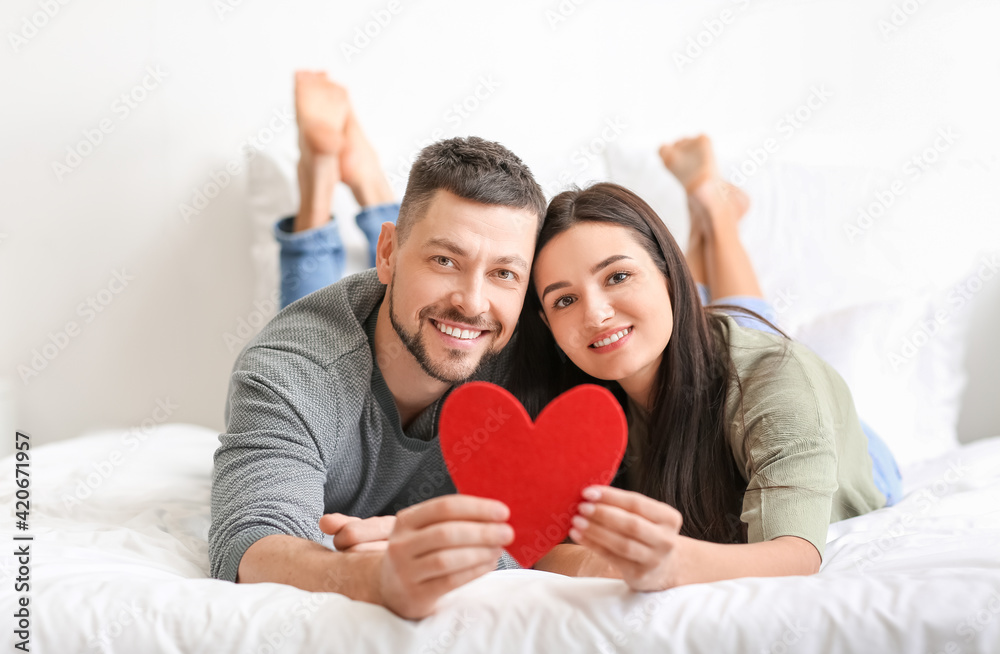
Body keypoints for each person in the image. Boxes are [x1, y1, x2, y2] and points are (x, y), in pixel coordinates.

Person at [209, 71, 547, 620]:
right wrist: (371, 577)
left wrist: (488, 561)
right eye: (446, 260)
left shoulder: (541, 345)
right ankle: (320, 179)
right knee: (353, 321)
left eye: (505, 273)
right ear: (384, 252)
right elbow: (248, 539)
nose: (473, 301)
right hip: (337, 340)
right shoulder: (292, 370)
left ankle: (359, 180)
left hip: (385, 305)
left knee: (420, 309)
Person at [507, 136, 904, 590]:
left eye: (617, 275)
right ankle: (712, 212)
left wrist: (674, 563)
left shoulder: (776, 381)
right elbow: (536, 541)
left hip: (853, 451)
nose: (594, 314)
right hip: (697, 354)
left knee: (756, 337)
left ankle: (717, 213)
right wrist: (596, 564)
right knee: (711, 323)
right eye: (564, 299)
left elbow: (795, 555)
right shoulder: (579, 398)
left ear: (670, 273)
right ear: (546, 321)